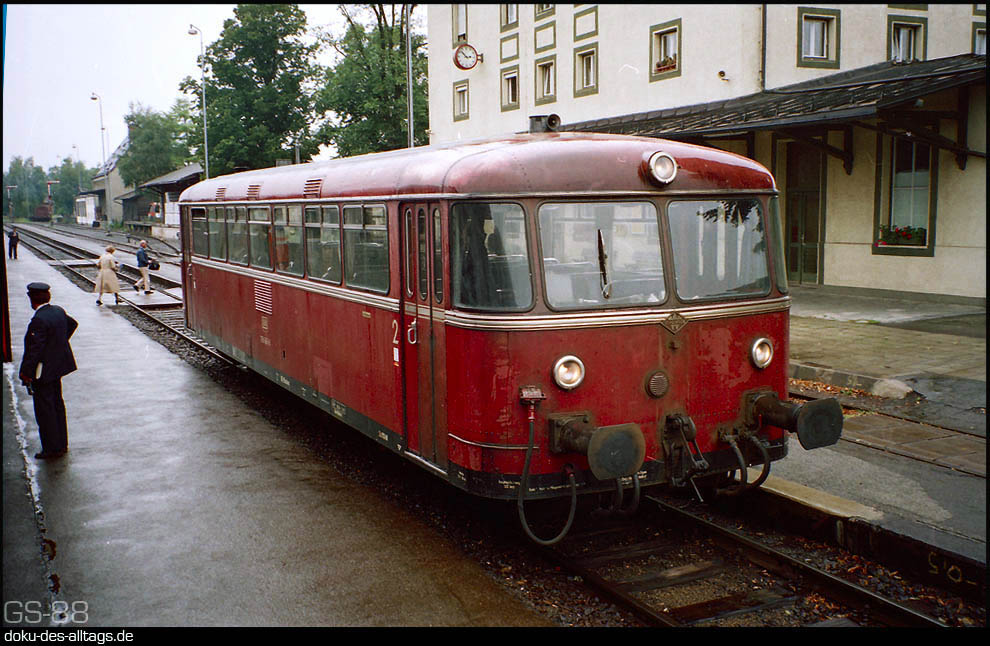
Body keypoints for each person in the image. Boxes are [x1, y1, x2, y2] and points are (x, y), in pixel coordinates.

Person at [18, 282, 78, 460]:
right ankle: (62, 443)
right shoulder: (58, 311)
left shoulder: (39, 319)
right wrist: (58, 344)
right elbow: (72, 324)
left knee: (45, 409)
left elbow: (34, 350)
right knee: (57, 405)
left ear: (32, 299)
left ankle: (52, 449)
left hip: (42, 372)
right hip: (57, 367)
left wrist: (25, 373)